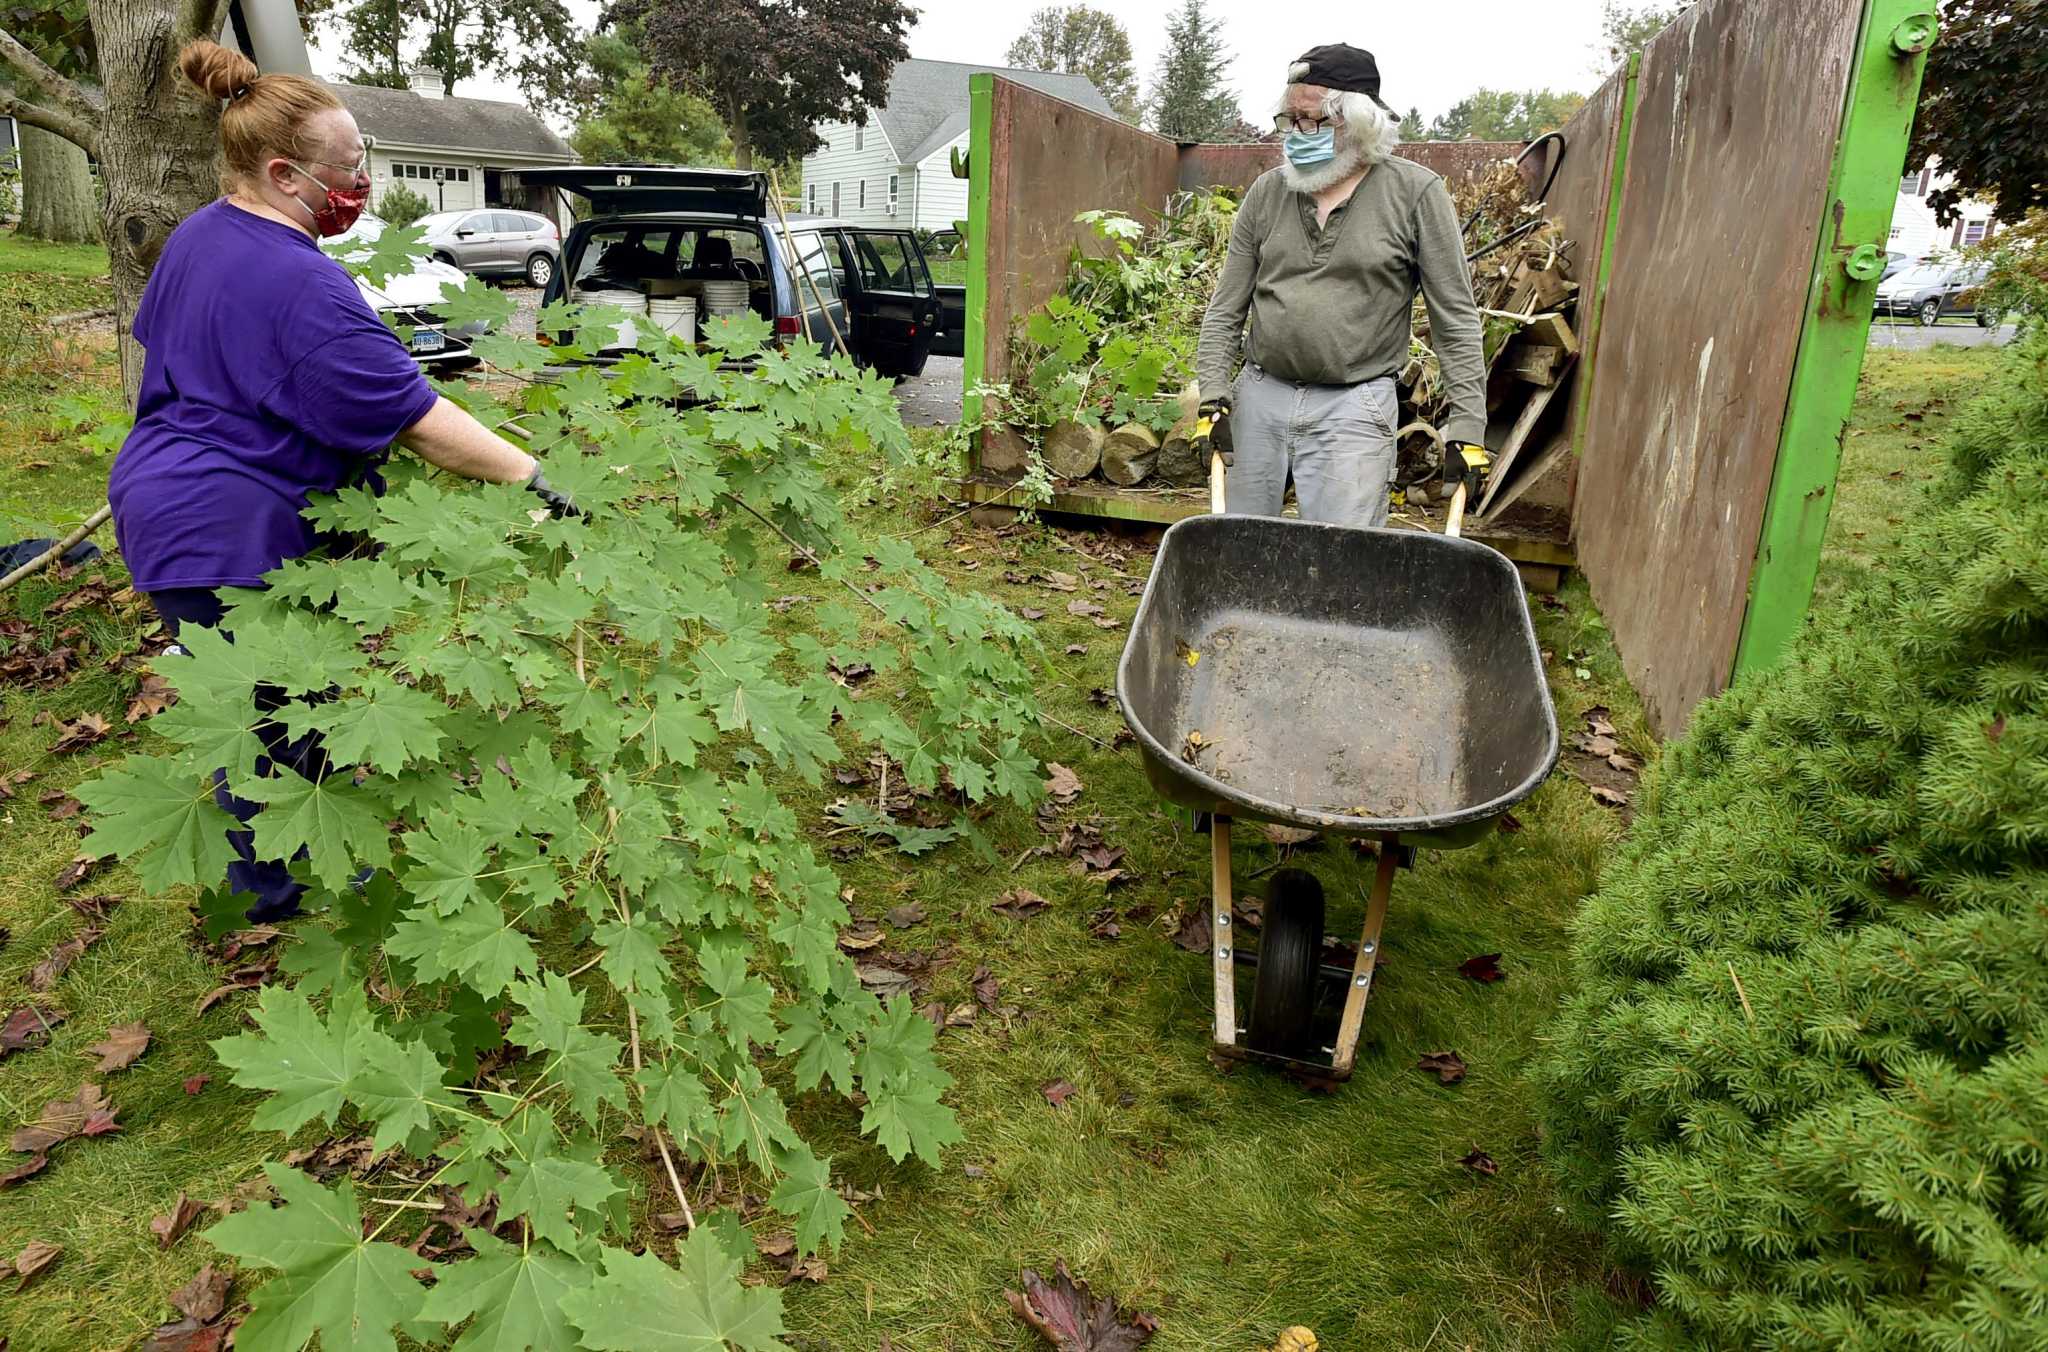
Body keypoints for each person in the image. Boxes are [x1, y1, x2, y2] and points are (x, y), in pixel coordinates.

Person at [107, 40, 574, 922]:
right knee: (280, 718)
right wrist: (534, 476)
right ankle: (298, 887)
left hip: (160, 502)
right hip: (232, 525)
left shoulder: (201, 236)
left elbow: (186, 354)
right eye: (350, 168)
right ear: (285, 173)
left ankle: (277, 877)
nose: (361, 183)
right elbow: (422, 422)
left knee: (250, 707)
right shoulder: (302, 283)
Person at [1195, 44, 1490, 527]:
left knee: (1343, 557)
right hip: (1260, 394)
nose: (1294, 136)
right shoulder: (1268, 193)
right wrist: (1212, 396)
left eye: (1310, 122)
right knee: (1238, 548)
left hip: (1354, 405)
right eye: (1288, 121)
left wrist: (1467, 427)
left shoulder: (1416, 194)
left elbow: (1455, 319)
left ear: (1358, 125)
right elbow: (1226, 307)